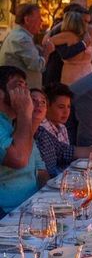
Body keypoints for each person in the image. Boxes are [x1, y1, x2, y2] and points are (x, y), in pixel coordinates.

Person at [0, 66, 48, 216]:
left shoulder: (13, 123)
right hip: (8, 215)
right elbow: (19, 159)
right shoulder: (17, 121)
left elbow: (40, 169)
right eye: (19, 86)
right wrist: (24, 112)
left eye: (26, 86)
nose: (26, 92)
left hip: (31, 207)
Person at [34, 84, 92, 177]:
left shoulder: (62, 127)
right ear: (47, 107)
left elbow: (67, 152)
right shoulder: (41, 129)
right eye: (61, 107)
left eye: (68, 107)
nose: (66, 111)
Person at [0, 4, 54, 88]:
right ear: (27, 20)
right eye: (39, 18)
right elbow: (37, 65)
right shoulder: (22, 38)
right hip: (19, 92)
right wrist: (47, 51)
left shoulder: (20, 35)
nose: (41, 21)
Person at [43, 4, 92, 87]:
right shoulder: (62, 31)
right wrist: (83, 43)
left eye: (88, 21)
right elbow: (46, 41)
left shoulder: (86, 33)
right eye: (84, 21)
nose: (86, 24)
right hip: (59, 71)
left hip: (86, 73)